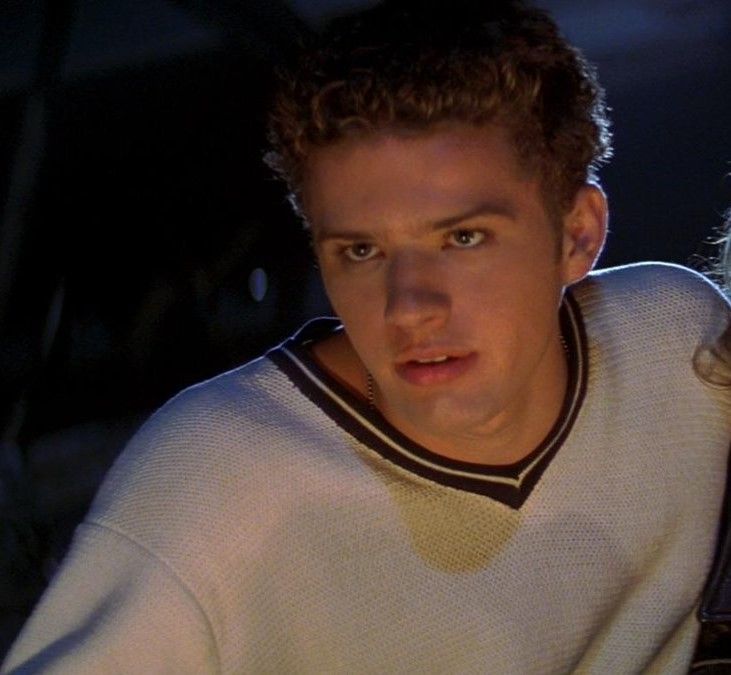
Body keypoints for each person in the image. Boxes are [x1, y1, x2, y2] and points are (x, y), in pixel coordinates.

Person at [3, 0, 731, 672]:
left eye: (463, 237)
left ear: (577, 234)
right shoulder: (218, 481)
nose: (409, 306)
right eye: (360, 251)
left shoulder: (675, 337)